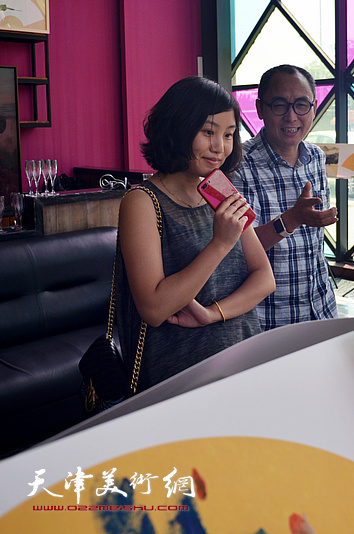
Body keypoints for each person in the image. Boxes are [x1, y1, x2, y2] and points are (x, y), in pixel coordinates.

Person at [116, 76, 275, 391]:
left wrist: (212, 314)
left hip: (243, 359)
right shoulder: (142, 202)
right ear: (178, 128)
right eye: (208, 132)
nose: (220, 147)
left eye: (228, 135)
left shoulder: (220, 190)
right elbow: (154, 308)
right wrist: (220, 244)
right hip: (181, 376)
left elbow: (264, 279)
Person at [234, 64, 339, 331]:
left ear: (314, 108)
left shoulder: (315, 156)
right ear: (260, 109)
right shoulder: (238, 165)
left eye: (301, 105)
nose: (291, 117)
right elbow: (235, 251)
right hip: (269, 320)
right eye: (279, 105)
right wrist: (291, 220)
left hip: (321, 308)